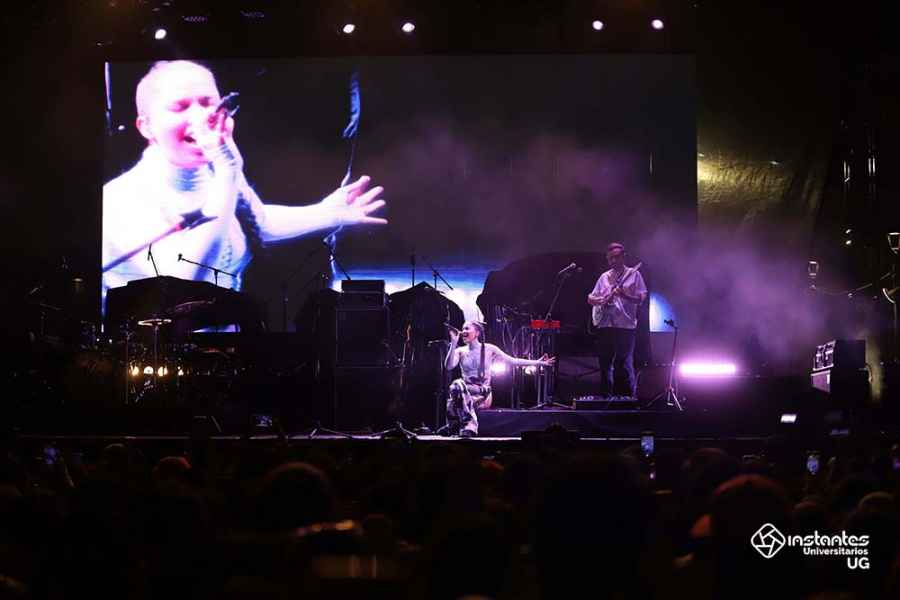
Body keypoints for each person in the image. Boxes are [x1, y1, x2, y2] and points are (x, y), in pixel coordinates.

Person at [102, 60, 387, 311]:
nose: (201, 116)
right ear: (146, 126)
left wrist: (328, 214)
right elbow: (183, 283)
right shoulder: (121, 199)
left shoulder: (216, 174)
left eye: (207, 103)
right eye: (180, 107)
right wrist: (227, 170)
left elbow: (255, 223)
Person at [444, 321, 554, 437]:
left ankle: (456, 425)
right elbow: (448, 366)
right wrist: (453, 343)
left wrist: (538, 362)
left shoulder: (489, 349)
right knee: (456, 386)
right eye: (463, 329)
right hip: (466, 391)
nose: (463, 332)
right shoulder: (460, 351)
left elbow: (512, 361)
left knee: (455, 392)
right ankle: (467, 427)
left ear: (477, 333)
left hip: (483, 393)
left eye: (467, 329)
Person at [587, 242, 647, 399]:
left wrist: (624, 295)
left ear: (623, 257)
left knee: (624, 363)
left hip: (625, 325)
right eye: (610, 258)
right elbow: (590, 298)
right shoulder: (604, 277)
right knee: (605, 363)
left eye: (616, 257)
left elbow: (641, 299)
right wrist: (602, 300)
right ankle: (606, 398)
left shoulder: (634, 275)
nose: (613, 261)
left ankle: (627, 399)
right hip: (605, 324)